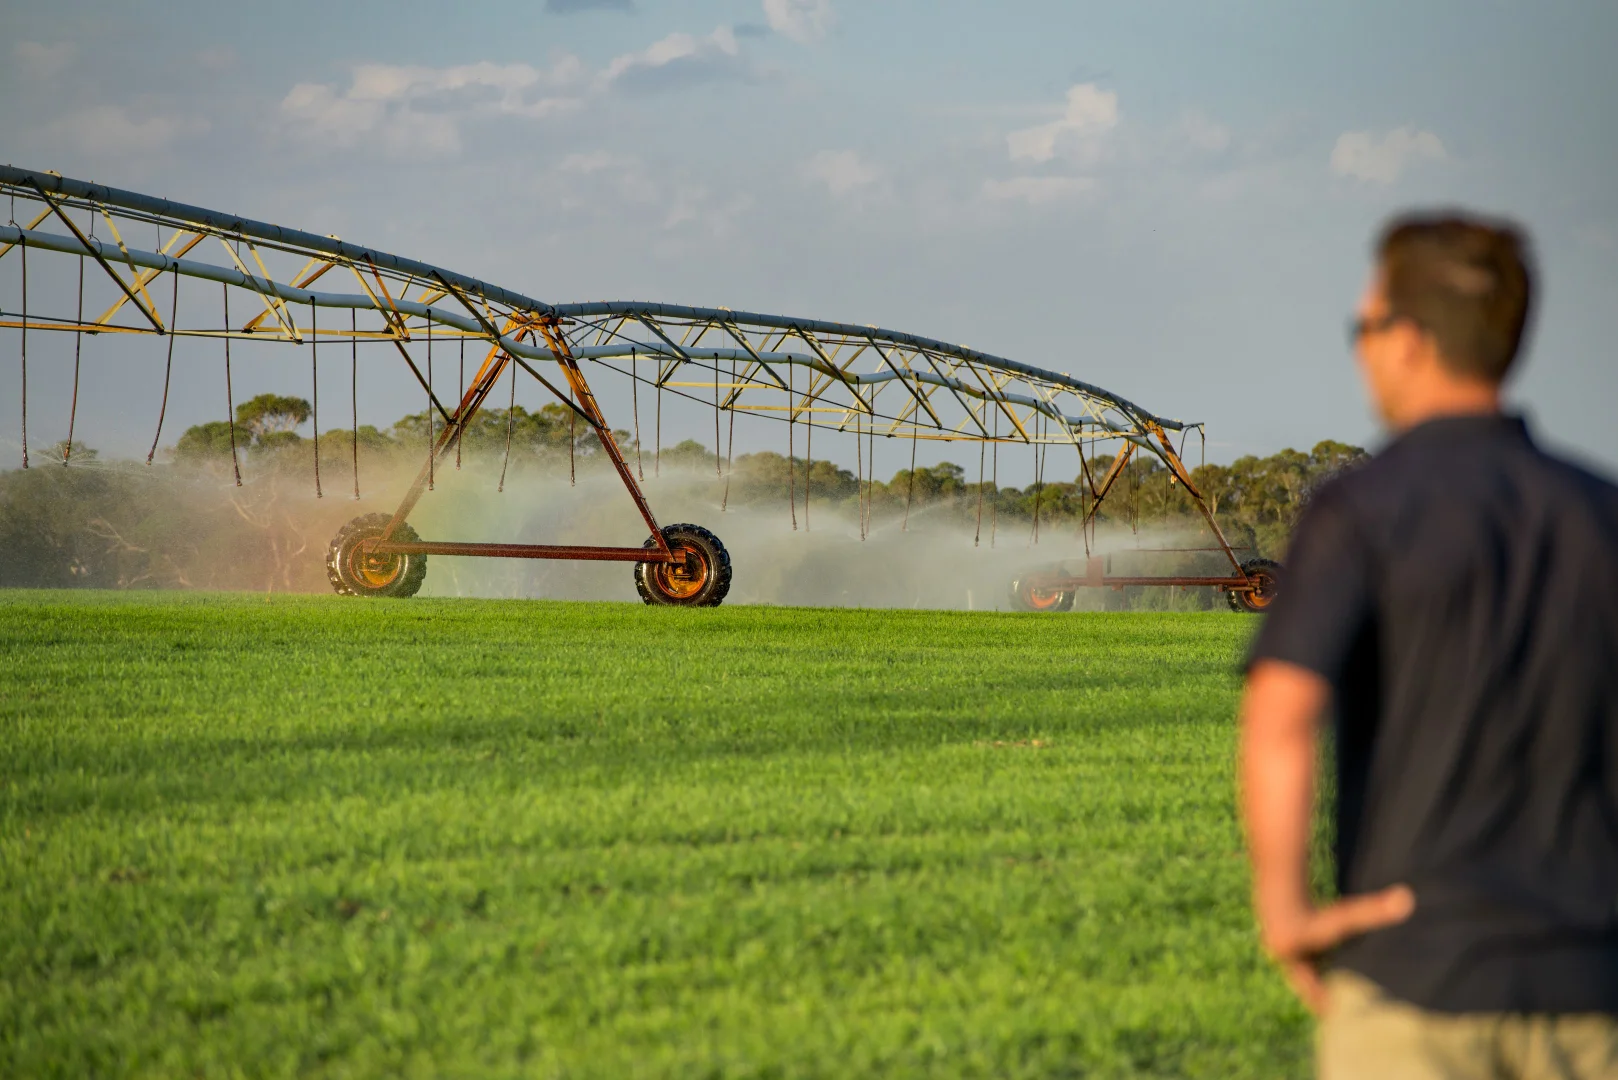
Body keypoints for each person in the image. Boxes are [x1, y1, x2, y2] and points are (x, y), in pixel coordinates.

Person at [1239, 213, 1618, 1078]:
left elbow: (1282, 715)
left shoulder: (1362, 510)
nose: (1362, 351)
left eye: (1363, 329)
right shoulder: (1603, 514)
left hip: (1413, 985)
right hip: (1595, 991)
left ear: (1407, 341)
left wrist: (1285, 910)